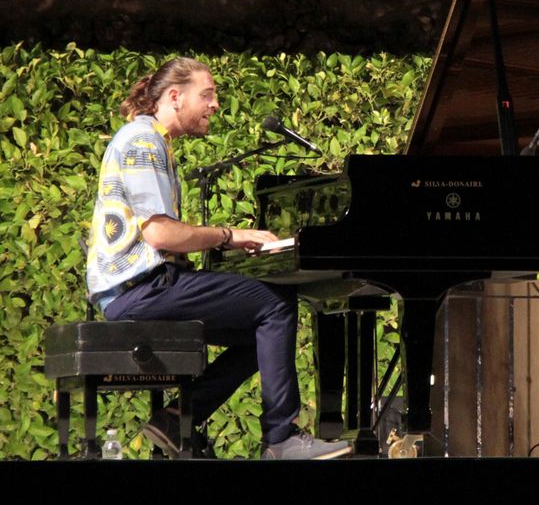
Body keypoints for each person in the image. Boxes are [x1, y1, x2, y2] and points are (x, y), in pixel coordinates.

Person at [85, 56, 350, 460]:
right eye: (206, 95)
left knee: (256, 335)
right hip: (138, 291)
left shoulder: (152, 140)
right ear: (175, 97)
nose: (214, 105)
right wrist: (229, 236)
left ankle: (178, 417)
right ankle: (280, 440)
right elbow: (160, 233)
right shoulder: (142, 142)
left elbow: (163, 240)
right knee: (276, 304)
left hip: (141, 288)